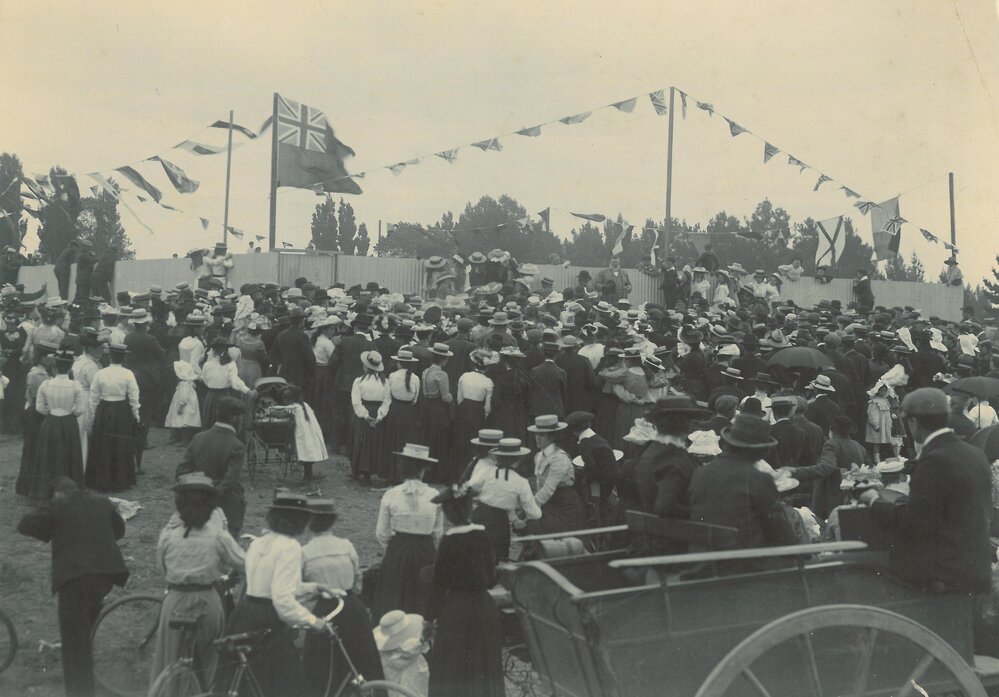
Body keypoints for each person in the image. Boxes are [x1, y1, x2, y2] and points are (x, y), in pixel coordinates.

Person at [860, 388, 992, 596]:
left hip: (945, 573)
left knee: (863, 570)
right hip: (975, 566)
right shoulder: (975, 454)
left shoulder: (934, 460)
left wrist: (874, 502)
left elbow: (915, 522)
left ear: (913, 422)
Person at [220, 492, 340, 697]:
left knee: (247, 682)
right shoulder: (290, 547)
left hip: (244, 613)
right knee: (287, 684)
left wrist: (314, 587)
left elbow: (270, 585)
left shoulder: (260, 542)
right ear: (300, 520)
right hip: (267, 622)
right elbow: (282, 600)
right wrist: (314, 622)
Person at [17, 477, 130, 697]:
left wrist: (52, 529)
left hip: (76, 579)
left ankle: (81, 691)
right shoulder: (102, 501)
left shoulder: (57, 504)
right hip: (106, 576)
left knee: (73, 643)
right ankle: (86, 666)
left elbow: (25, 525)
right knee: (86, 624)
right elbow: (119, 530)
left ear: (58, 494)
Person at [150, 473, 245, 688]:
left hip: (175, 600)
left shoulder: (168, 535)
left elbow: (162, 570)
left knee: (169, 659)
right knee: (209, 660)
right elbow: (242, 562)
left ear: (179, 505)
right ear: (212, 506)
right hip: (206, 601)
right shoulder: (219, 537)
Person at [423, 484, 504, 697]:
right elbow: (492, 577)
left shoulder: (449, 540)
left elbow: (438, 583)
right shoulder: (483, 535)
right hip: (484, 607)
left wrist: (428, 619)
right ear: (469, 508)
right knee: (483, 665)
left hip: (456, 611)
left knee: (453, 667)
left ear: (448, 513)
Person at [302, 498, 384, 697]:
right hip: (351, 607)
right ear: (332, 522)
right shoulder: (346, 545)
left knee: (324, 666)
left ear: (308, 523)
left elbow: (302, 589)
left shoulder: (304, 552)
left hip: (325, 609)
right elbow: (358, 581)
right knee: (363, 662)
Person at [687, 414, 788, 569]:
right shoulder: (759, 479)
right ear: (760, 452)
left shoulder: (700, 472)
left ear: (728, 443)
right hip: (744, 564)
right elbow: (780, 531)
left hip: (703, 560)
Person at [372, 444, 443, 622]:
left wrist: (395, 549)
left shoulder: (391, 494)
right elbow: (437, 532)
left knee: (393, 598)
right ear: (424, 469)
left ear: (402, 467)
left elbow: (381, 532)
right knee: (422, 596)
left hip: (398, 549)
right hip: (425, 550)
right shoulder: (434, 495)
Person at [176, 396, 248, 535]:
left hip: (196, 504)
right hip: (225, 506)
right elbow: (229, 481)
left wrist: (196, 490)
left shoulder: (198, 437)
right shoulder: (237, 446)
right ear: (235, 418)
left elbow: (182, 471)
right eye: (241, 418)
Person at [22, 350, 86, 501]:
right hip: (68, 421)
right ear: (70, 368)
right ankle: (70, 490)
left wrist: (52, 413)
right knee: (69, 454)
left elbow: (39, 407)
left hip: (50, 422)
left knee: (48, 455)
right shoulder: (75, 385)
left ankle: (45, 490)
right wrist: (70, 413)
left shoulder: (47, 384)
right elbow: (80, 409)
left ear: (56, 367)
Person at [467, 437, 541, 561]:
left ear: (498, 457)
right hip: (498, 523)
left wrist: (480, 496)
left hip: (478, 515)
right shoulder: (520, 482)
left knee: (474, 555)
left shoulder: (486, 471)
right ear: (517, 461)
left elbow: (468, 488)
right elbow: (534, 513)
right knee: (494, 559)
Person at [782, 415, 869, 519]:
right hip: (853, 498)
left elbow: (826, 467)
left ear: (832, 430)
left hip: (833, 497)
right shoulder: (859, 446)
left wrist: (795, 471)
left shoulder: (832, 443)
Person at [85, 343, 140, 492]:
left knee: (104, 444)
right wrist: (136, 414)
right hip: (121, 411)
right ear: (123, 357)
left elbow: (94, 397)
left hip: (104, 410)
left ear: (109, 356)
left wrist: (93, 416)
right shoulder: (128, 373)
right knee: (120, 443)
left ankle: (103, 479)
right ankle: (120, 480)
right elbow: (134, 396)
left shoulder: (100, 373)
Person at [526, 415, 585, 534]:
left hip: (565, 505)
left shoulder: (559, 459)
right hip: (549, 503)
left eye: (542, 435)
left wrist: (529, 508)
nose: (537, 438)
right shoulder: (539, 456)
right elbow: (539, 485)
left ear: (552, 437)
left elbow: (548, 489)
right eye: (536, 434)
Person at [16, 341, 55, 497]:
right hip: (36, 414)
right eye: (51, 356)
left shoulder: (45, 372)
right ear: (43, 357)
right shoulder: (37, 374)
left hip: (39, 412)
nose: (54, 359)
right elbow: (42, 397)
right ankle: (29, 486)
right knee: (34, 448)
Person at [450, 349, 495, 478]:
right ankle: (471, 473)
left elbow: (459, 398)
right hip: (477, 412)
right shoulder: (488, 382)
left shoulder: (464, 376)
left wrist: (463, 409)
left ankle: (456, 472)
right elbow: (487, 407)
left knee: (460, 439)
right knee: (474, 441)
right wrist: (484, 415)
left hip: (464, 409)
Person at [350, 350, 392, 483]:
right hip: (377, 412)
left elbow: (356, 401)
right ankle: (370, 470)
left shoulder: (358, 381)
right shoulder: (385, 382)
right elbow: (387, 401)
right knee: (374, 443)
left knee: (360, 441)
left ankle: (357, 470)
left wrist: (365, 416)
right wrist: (379, 416)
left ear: (366, 366)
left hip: (363, 413)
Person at [279, 383, 329, 484]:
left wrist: (271, 411)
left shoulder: (293, 407)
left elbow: (281, 413)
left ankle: (308, 478)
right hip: (310, 433)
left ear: (289, 400)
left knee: (305, 452)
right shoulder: (304, 405)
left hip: (303, 434)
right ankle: (308, 476)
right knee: (308, 454)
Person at [385, 348, 422, 482]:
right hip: (408, 411)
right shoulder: (416, 378)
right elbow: (415, 399)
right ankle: (404, 475)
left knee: (393, 440)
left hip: (395, 409)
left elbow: (388, 394)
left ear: (398, 363)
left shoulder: (392, 376)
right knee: (406, 442)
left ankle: (392, 474)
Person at [200, 337, 253, 431]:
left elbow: (205, 381)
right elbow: (235, 382)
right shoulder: (230, 364)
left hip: (211, 397)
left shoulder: (207, 365)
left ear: (213, 350)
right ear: (227, 350)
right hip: (224, 397)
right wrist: (247, 391)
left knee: (210, 422)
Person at [421, 343, 454, 481]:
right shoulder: (441, 374)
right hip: (438, 408)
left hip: (427, 405)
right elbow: (445, 396)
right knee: (439, 439)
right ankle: (438, 473)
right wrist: (453, 398)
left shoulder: (426, 371)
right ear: (443, 359)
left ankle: (427, 472)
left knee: (428, 437)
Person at [271, 306, 316, 390]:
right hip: (299, 374)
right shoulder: (302, 336)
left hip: (283, 373)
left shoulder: (281, 335)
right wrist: (311, 374)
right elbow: (309, 358)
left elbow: (273, 355)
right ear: (302, 321)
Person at [529, 341, 567, 418]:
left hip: (538, 409)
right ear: (556, 354)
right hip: (555, 409)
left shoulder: (535, 370)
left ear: (543, 353)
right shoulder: (561, 372)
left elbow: (531, 391)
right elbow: (564, 393)